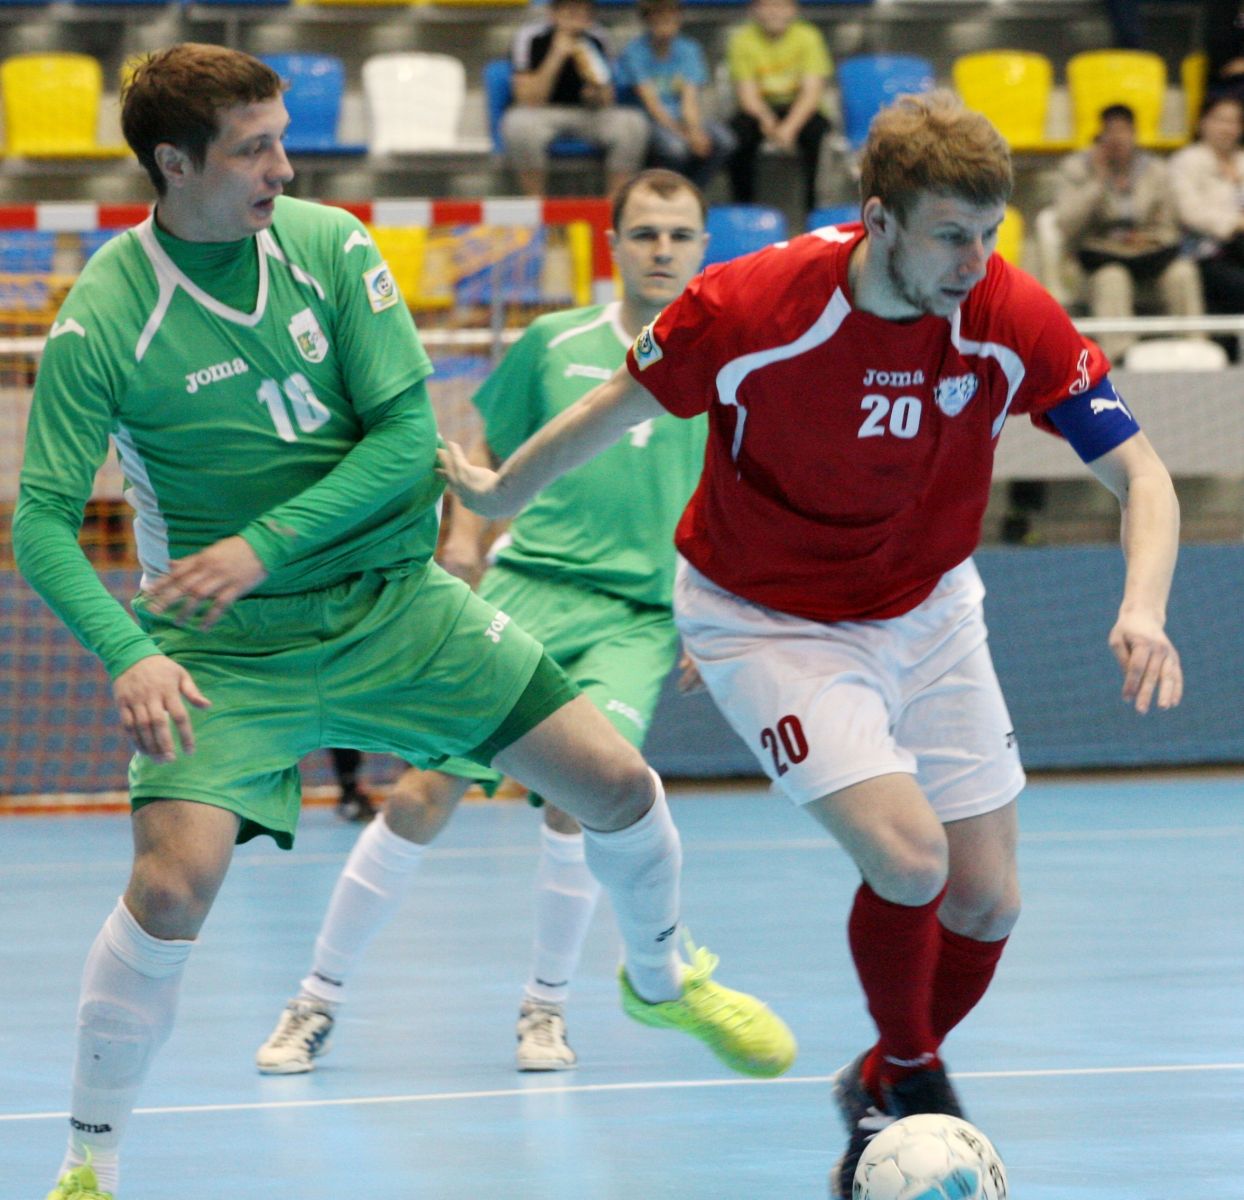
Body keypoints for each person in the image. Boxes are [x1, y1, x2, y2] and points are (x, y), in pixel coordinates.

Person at [14, 46, 794, 1200]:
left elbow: (403, 442)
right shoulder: (105, 317)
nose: (284, 167)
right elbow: (38, 519)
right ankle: (89, 1161)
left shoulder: (331, 249)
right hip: (225, 651)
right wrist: (129, 653)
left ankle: (662, 974)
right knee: (170, 889)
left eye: (283, 138)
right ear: (173, 165)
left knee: (617, 786)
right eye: (254, 149)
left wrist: (262, 543)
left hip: (396, 608)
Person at [438, 90, 1184, 1197]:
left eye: (988, 235)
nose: (973, 262)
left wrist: (1142, 608)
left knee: (987, 900)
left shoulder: (1005, 311)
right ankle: (912, 1079)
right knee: (911, 858)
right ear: (878, 219)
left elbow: (1142, 474)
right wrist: (500, 493)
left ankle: (874, 1078)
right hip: (765, 619)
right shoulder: (751, 304)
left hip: (927, 605)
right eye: (949, 235)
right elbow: (612, 409)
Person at [255, 167, 712, 1077]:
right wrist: (464, 540)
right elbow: (489, 449)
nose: (662, 250)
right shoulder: (554, 342)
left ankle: (546, 1010)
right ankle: (315, 998)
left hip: (635, 616)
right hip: (527, 589)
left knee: (584, 802)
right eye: (645, 233)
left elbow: (740, 497)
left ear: (704, 247)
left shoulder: (729, 360)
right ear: (613, 246)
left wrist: (716, 610)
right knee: (422, 794)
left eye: (680, 235)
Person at [1054, 103, 1204, 363]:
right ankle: (1119, 358)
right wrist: (1098, 182)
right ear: (1100, 135)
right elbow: (1066, 224)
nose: (1118, 138)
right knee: (1113, 277)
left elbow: (1169, 226)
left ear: (1134, 134)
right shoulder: (1076, 168)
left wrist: (1148, 239)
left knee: (1182, 273)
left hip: (1148, 256)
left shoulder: (1155, 170)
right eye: (1111, 131)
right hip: (1096, 261)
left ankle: (1196, 350)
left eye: (1124, 131)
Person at [502, 0, 650, 197]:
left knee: (633, 123)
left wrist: (596, 95)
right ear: (554, 13)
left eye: (585, 12)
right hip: (541, 113)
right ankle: (536, 203)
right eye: (571, 11)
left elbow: (608, 98)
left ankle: (615, 204)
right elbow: (527, 99)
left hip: (589, 114)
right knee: (517, 124)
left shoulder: (598, 38)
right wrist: (557, 54)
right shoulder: (531, 37)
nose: (579, 17)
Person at [614, 0, 737, 190]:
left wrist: (694, 131)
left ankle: (694, 191)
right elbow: (651, 104)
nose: (666, 25)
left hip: (682, 117)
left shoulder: (689, 50)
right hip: (648, 120)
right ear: (647, 21)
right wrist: (683, 135)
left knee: (725, 141)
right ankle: (666, 192)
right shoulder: (634, 52)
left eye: (671, 18)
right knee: (675, 148)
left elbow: (689, 99)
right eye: (659, 19)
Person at [725, 0, 832, 215]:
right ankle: (744, 209)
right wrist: (768, 122)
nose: (775, 12)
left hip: (799, 107)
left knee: (816, 132)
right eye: (768, 5)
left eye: (781, 5)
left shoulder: (809, 36)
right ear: (754, 9)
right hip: (760, 108)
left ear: (794, 9)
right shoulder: (742, 39)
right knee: (738, 134)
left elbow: (811, 93)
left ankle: (814, 210)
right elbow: (747, 95)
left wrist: (789, 128)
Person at [1169, 94, 1244, 324]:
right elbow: (1189, 212)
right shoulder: (1186, 161)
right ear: (1202, 122)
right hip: (1205, 253)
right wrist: (1235, 223)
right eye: (1221, 120)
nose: (1227, 128)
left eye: (1234, 121)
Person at [327, 747, 376, 822]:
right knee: (348, 778)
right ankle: (352, 805)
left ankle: (355, 805)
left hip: (348, 759)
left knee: (349, 778)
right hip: (345, 758)